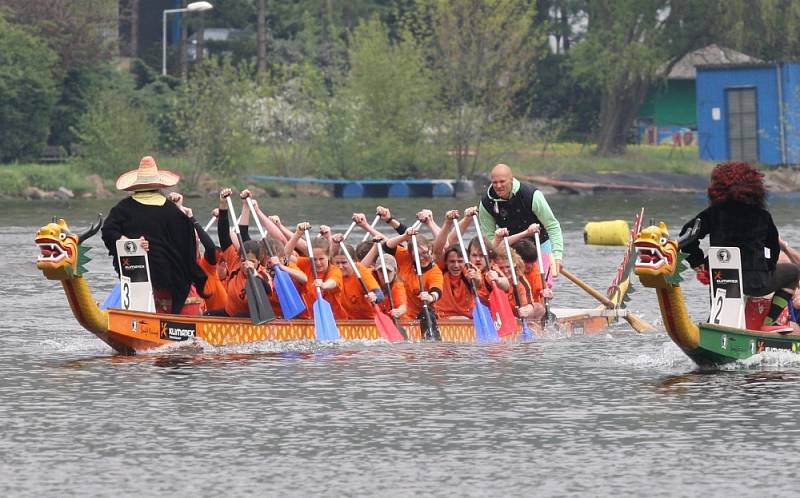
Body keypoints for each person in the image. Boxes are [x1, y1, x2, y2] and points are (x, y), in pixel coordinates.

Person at [680, 161, 800, 330]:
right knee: (794, 272)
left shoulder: (712, 214)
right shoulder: (762, 216)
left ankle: (713, 324)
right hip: (756, 283)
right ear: (755, 188)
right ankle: (770, 322)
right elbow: (773, 249)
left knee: (719, 284)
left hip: (721, 279)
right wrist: (767, 268)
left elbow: (687, 237)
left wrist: (698, 263)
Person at [101, 156, 207, 315]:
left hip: (134, 272)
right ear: (158, 186)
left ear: (136, 186)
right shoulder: (173, 212)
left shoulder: (122, 209)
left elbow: (108, 232)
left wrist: (130, 243)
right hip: (169, 276)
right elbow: (188, 247)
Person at [478, 163, 564, 278]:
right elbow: (490, 240)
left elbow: (552, 225)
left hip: (540, 243)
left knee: (541, 286)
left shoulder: (531, 195)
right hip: (512, 250)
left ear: (511, 180)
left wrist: (557, 256)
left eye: (502, 181)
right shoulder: (486, 203)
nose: (498, 186)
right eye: (495, 182)